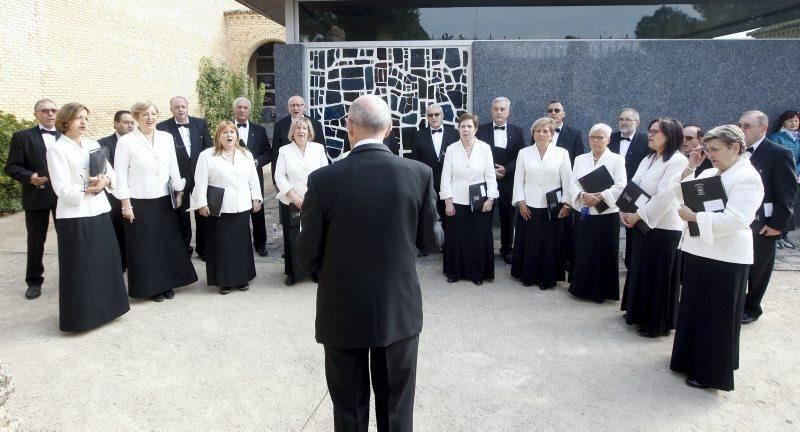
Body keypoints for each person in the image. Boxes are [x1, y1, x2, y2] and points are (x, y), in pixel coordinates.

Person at [296, 94, 440, 431]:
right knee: (397, 410)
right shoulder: (418, 174)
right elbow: (431, 243)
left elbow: (306, 255)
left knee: (349, 409)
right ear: (389, 128)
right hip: (397, 308)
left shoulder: (323, 180)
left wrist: (332, 275)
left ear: (349, 128)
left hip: (342, 309)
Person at [671, 124, 764, 391]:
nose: (710, 154)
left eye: (715, 150)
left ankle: (711, 372)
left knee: (716, 317)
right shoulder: (711, 171)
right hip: (701, 250)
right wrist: (691, 167)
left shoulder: (747, 177)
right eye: (707, 149)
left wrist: (695, 217)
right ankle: (688, 359)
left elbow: (737, 219)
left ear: (735, 148)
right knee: (694, 310)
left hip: (726, 256)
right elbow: (681, 192)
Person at [45, 102, 129, 331]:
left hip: (100, 210)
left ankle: (109, 309)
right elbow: (61, 188)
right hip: (75, 215)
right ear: (65, 122)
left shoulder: (93, 144)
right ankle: (82, 317)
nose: (83, 122)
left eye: (85, 118)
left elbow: (110, 173)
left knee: (105, 262)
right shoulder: (56, 150)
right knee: (80, 267)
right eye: (78, 118)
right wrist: (87, 190)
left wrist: (105, 181)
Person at [114, 101, 198, 302]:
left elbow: (173, 167)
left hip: (163, 200)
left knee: (165, 244)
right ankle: (150, 287)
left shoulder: (166, 138)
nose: (150, 118)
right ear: (136, 117)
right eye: (145, 114)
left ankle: (167, 283)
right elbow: (120, 175)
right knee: (145, 247)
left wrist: (179, 192)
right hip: (138, 201)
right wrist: (126, 204)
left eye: (153, 114)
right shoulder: (126, 142)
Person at [620, 118, 688, 337]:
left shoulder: (677, 161)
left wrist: (637, 215)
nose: (650, 135)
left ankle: (655, 323)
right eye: (650, 131)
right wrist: (624, 209)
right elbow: (634, 185)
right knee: (641, 270)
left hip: (663, 227)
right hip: (641, 222)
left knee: (658, 276)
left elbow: (665, 196)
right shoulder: (648, 158)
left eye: (655, 132)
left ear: (670, 135)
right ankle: (638, 313)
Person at [190, 121, 263, 295]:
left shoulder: (245, 153)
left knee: (241, 244)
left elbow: (253, 179)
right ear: (218, 136)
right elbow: (200, 182)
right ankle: (224, 281)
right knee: (221, 245)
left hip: (241, 205)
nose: (229, 135)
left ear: (237, 136)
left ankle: (242, 278)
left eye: (232, 132)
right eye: (225, 132)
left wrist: (257, 198)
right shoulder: (207, 155)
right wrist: (201, 203)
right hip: (219, 207)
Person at [739, 110, 797, 324]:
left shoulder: (779, 153)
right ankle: (738, 303)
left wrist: (777, 225)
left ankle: (752, 308)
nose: (742, 130)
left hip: (765, 222)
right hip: (741, 218)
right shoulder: (738, 150)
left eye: (747, 126)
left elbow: (787, 193)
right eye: (741, 125)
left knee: (759, 267)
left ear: (763, 128)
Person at [4, 99, 60, 300]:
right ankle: (34, 281)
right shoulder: (22, 137)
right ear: (36, 114)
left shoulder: (65, 136)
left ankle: (71, 277)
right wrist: (30, 178)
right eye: (45, 111)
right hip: (36, 196)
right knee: (36, 240)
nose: (50, 114)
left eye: (54, 110)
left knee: (69, 238)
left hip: (64, 196)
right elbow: (11, 167)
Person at [567, 123, 627, 303]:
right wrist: (583, 195)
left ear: (608, 140)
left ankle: (602, 292)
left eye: (600, 137)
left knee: (603, 253)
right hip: (584, 210)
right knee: (584, 251)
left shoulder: (617, 160)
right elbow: (572, 184)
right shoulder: (580, 159)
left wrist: (600, 196)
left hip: (606, 214)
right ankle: (581, 289)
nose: (595, 141)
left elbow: (621, 186)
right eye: (592, 137)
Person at [511, 117, 572, 289]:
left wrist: (567, 204)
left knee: (549, 244)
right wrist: (520, 202)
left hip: (553, 207)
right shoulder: (524, 153)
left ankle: (547, 278)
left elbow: (567, 181)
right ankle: (528, 276)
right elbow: (518, 180)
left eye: (545, 131)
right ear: (533, 134)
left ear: (552, 134)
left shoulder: (562, 153)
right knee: (531, 242)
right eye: (537, 131)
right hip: (529, 205)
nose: (541, 134)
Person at [440, 113, 499, 285]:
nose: (466, 130)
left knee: (477, 238)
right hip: (457, 201)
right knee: (456, 239)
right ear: (458, 129)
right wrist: (448, 201)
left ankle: (477, 274)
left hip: (480, 202)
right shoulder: (451, 149)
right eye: (462, 126)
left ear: (476, 129)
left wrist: (491, 199)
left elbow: (490, 176)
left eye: (469, 126)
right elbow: (446, 178)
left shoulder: (485, 148)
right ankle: (454, 272)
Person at [274, 117, 328, 285]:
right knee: (294, 238)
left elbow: (325, 173)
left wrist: (315, 197)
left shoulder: (318, 149)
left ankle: (315, 270)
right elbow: (279, 176)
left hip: (315, 201)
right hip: (292, 201)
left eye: (304, 128)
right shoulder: (284, 150)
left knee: (315, 236)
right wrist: (294, 196)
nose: (301, 131)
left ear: (309, 131)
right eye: (297, 128)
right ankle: (294, 273)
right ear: (292, 132)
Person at [156, 96, 212, 259]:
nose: (180, 110)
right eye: (176, 107)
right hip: (177, 178)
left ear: (187, 107)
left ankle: (203, 249)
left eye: (183, 106)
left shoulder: (200, 123)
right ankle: (184, 248)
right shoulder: (162, 127)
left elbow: (208, 147)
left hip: (198, 176)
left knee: (202, 211)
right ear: (171, 109)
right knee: (181, 214)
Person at [476, 97, 525, 264]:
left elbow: (521, 156)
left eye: (502, 109)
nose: (499, 112)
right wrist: (490, 171)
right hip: (485, 179)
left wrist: (506, 169)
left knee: (508, 217)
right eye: (496, 109)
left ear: (508, 111)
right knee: (484, 216)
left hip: (507, 180)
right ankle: (484, 250)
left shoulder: (517, 131)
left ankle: (506, 249)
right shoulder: (480, 130)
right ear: (491, 110)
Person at [409, 103, 459, 239]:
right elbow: (415, 160)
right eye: (430, 115)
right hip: (427, 181)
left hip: (449, 181)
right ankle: (426, 245)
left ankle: (449, 243)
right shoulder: (419, 135)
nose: (434, 117)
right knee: (427, 213)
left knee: (449, 212)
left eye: (437, 114)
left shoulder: (454, 133)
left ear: (442, 115)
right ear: (427, 117)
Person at [609, 108, 649, 269]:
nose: (623, 122)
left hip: (633, 191)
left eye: (628, 119)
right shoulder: (610, 139)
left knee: (632, 228)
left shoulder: (645, 141)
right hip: (611, 189)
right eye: (621, 119)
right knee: (610, 226)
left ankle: (631, 264)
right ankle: (609, 263)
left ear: (637, 122)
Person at [233, 97, 272, 257]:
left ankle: (260, 244)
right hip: (233, 179)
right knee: (236, 211)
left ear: (249, 110)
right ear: (234, 109)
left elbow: (268, 153)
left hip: (255, 177)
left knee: (258, 211)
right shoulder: (227, 129)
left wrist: (256, 161)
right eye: (239, 107)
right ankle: (239, 244)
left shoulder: (260, 130)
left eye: (245, 107)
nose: (242, 110)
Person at [98, 110, 135, 271]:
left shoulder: (138, 142)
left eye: (132, 123)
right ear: (115, 123)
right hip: (113, 194)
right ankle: (120, 262)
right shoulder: (103, 144)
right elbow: (101, 170)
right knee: (118, 229)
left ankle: (134, 260)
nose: (130, 126)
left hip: (136, 192)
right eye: (126, 122)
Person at [271, 95, 325, 185]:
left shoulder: (315, 124)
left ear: (304, 107)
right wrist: (275, 181)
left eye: (299, 105)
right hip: (289, 181)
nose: (296, 108)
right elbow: (275, 154)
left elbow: (322, 150)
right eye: (292, 105)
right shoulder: (279, 125)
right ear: (288, 108)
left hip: (313, 181)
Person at [767, 110, 800, 249]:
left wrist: (797, 172)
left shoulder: (799, 138)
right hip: (781, 176)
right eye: (789, 121)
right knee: (782, 204)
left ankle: (785, 235)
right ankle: (778, 236)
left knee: (792, 206)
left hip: (797, 177)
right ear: (783, 123)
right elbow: (774, 156)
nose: (793, 123)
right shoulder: (777, 137)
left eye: (796, 121)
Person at [547, 100, 585, 165]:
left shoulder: (575, 134)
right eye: (550, 111)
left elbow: (579, 160)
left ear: (564, 114)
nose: (553, 113)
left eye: (557, 110)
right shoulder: (538, 133)